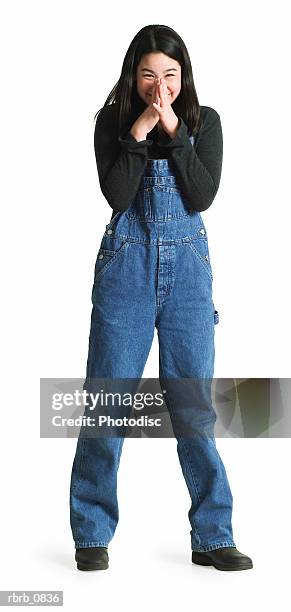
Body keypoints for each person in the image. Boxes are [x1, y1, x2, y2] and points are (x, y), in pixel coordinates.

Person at [69, 24, 253, 572]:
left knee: (195, 405)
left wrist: (173, 127)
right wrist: (143, 124)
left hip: (188, 276)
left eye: (170, 76)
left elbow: (202, 193)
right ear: (134, 76)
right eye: (149, 75)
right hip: (126, 265)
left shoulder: (205, 122)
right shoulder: (111, 122)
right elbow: (118, 194)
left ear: (183, 75)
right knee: (108, 400)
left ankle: (213, 536)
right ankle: (91, 532)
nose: (160, 87)